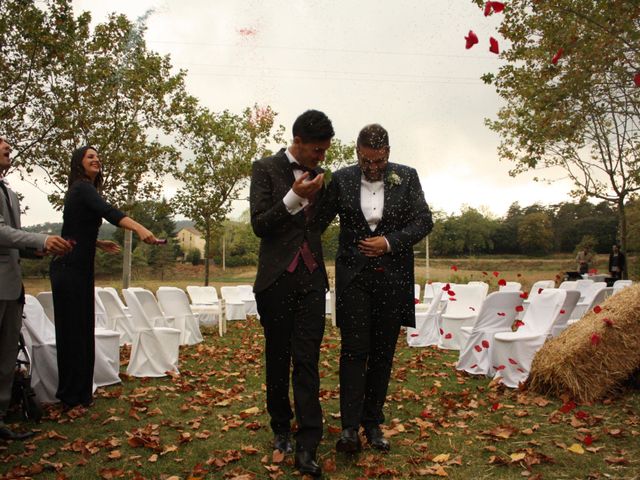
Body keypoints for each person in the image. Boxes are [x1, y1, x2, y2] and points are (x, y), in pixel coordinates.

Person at [316, 124, 433, 454]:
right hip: (354, 279)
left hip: (392, 279)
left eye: (378, 161)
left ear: (388, 154)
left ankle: (373, 424)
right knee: (354, 352)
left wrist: (389, 242)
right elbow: (318, 221)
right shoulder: (341, 179)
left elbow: (424, 220)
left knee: (382, 354)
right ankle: (349, 429)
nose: (372, 168)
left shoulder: (407, 177)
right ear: (357, 153)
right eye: (366, 161)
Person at [250, 110, 333, 477]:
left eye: (325, 150)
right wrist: (292, 198)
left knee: (307, 359)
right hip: (276, 281)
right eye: (317, 149)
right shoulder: (265, 169)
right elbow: (259, 224)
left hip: (313, 280)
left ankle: (309, 441)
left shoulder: (321, 177)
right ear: (297, 141)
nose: (321, 157)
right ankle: (281, 426)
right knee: (278, 357)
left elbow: (318, 224)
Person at [50, 146, 159, 410]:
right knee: (73, 333)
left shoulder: (83, 190)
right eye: (90, 156)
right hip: (69, 268)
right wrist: (140, 228)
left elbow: (74, 229)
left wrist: (96, 243)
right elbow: (110, 212)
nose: (96, 159)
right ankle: (70, 397)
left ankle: (79, 395)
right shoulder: (82, 188)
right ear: (79, 163)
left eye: (98, 156)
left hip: (78, 267)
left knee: (81, 330)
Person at [0, 136, 73, 440]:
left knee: (5, 361)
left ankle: (1, 418)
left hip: (12, 287)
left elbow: (13, 236)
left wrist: (41, 250)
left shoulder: (10, 193)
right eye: (1, 145)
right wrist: (40, 239)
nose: (8, 149)